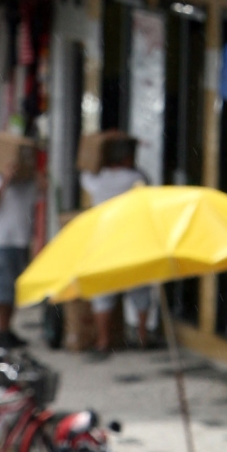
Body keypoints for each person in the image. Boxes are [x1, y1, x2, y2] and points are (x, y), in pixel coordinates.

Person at [79, 138, 152, 358]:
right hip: (133, 242)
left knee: (103, 294)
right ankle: (141, 337)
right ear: (128, 158)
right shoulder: (136, 178)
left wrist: (99, 148)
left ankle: (103, 342)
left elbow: (85, 171)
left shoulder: (97, 180)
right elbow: (147, 186)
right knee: (139, 290)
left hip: (105, 242)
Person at [0, 158, 37, 346]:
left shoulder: (28, 183)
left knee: (14, 290)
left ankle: (7, 329)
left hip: (20, 242)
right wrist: (5, 181)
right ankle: (1, 329)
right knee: (1, 288)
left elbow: (43, 193)